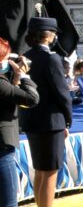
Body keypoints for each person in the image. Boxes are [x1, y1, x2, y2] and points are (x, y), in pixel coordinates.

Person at [20, 17, 71, 207]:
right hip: (51, 121)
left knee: (40, 170)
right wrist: (68, 120)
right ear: (49, 36)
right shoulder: (52, 58)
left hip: (31, 119)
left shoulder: (25, 56)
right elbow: (62, 93)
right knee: (50, 172)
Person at [0, 37, 37, 207]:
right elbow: (31, 98)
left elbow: (8, 98)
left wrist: (15, 79)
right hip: (2, 147)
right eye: (7, 58)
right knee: (9, 202)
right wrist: (24, 76)